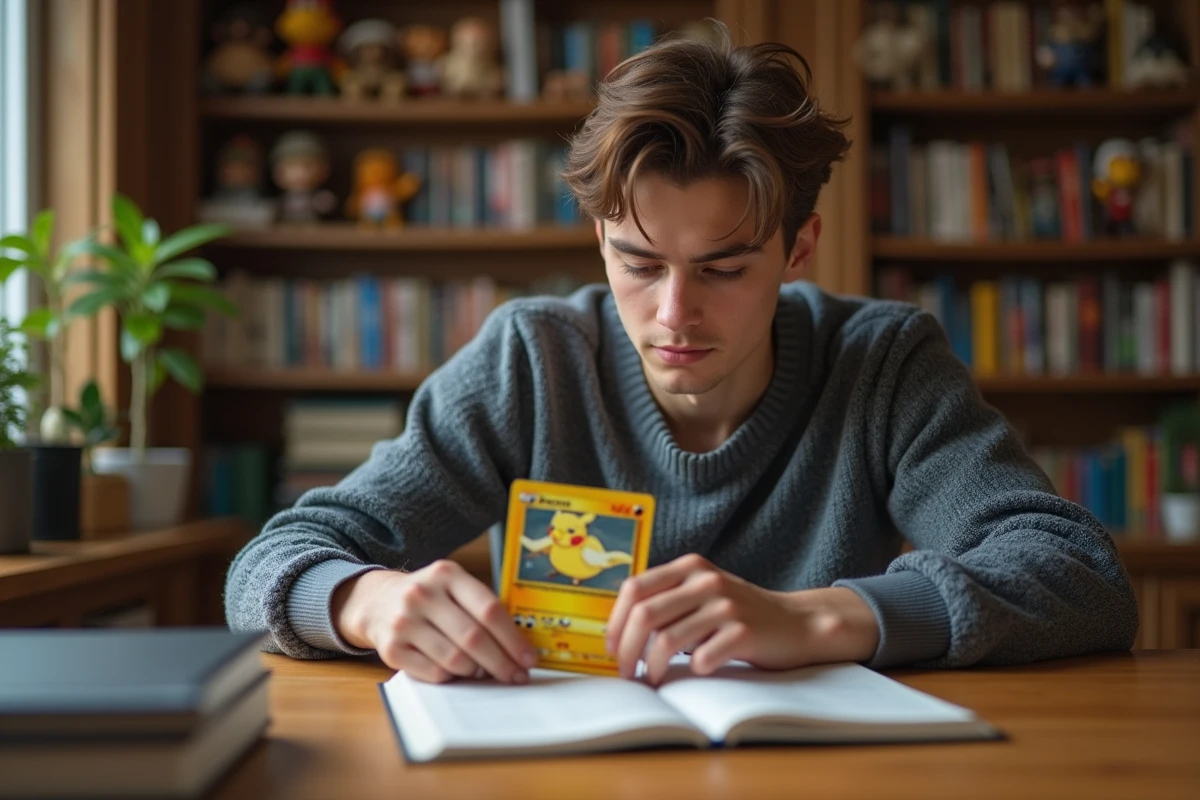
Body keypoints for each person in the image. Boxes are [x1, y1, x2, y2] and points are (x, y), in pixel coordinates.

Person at [225, 27, 1138, 687]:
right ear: (599, 240)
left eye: (724, 269)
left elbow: (1080, 575)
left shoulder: (881, 364)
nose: (673, 314)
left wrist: (821, 617)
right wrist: (367, 602)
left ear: (799, 247)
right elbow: (271, 563)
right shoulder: (531, 362)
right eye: (638, 263)